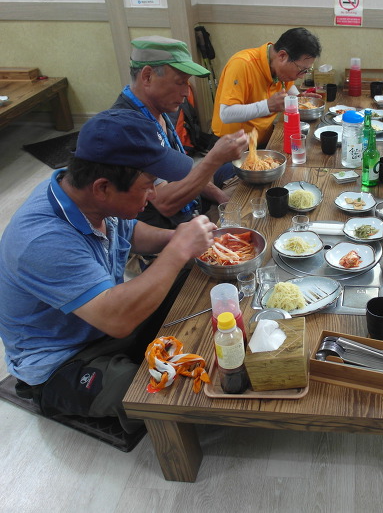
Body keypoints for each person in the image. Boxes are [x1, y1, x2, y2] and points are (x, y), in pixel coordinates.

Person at [0, 109, 220, 433]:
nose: (154, 194)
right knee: (156, 394)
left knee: (198, 276)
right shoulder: (41, 240)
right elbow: (118, 321)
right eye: (148, 185)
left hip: (102, 321)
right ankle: (55, 392)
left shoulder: (89, 196)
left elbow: (131, 233)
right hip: (63, 359)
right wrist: (177, 250)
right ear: (103, 187)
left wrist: (178, 238)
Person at [113, 35, 248, 229]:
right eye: (180, 82)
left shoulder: (156, 108)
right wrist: (214, 158)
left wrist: (221, 198)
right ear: (147, 76)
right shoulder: (129, 128)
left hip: (192, 210)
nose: (186, 92)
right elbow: (165, 204)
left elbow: (184, 170)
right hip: (164, 231)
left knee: (250, 189)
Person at [211, 27, 322, 147]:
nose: (301, 76)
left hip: (264, 139)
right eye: (301, 69)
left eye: (307, 70)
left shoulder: (279, 69)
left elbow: (289, 89)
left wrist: (299, 99)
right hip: (232, 146)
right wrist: (268, 106)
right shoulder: (242, 64)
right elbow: (226, 114)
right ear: (282, 56)